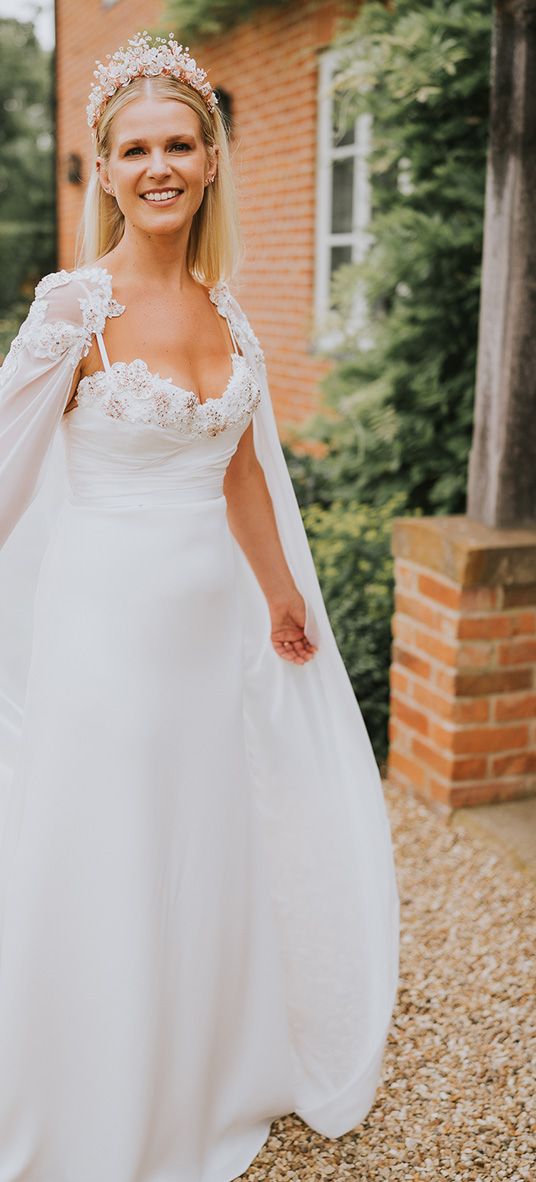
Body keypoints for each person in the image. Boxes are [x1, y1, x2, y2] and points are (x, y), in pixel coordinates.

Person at [0, 32, 399, 1182]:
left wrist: (281, 596)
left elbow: (238, 473)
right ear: (106, 168)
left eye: (180, 142)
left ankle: (195, 1067)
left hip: (198, 636)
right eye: (136, 149)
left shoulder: (230, 320)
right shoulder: (72, 307)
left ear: (211, 158)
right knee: (106, 842)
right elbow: (12, 469)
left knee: (195, 839)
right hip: (102, 630)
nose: (159, 165)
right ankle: (87, 1093)